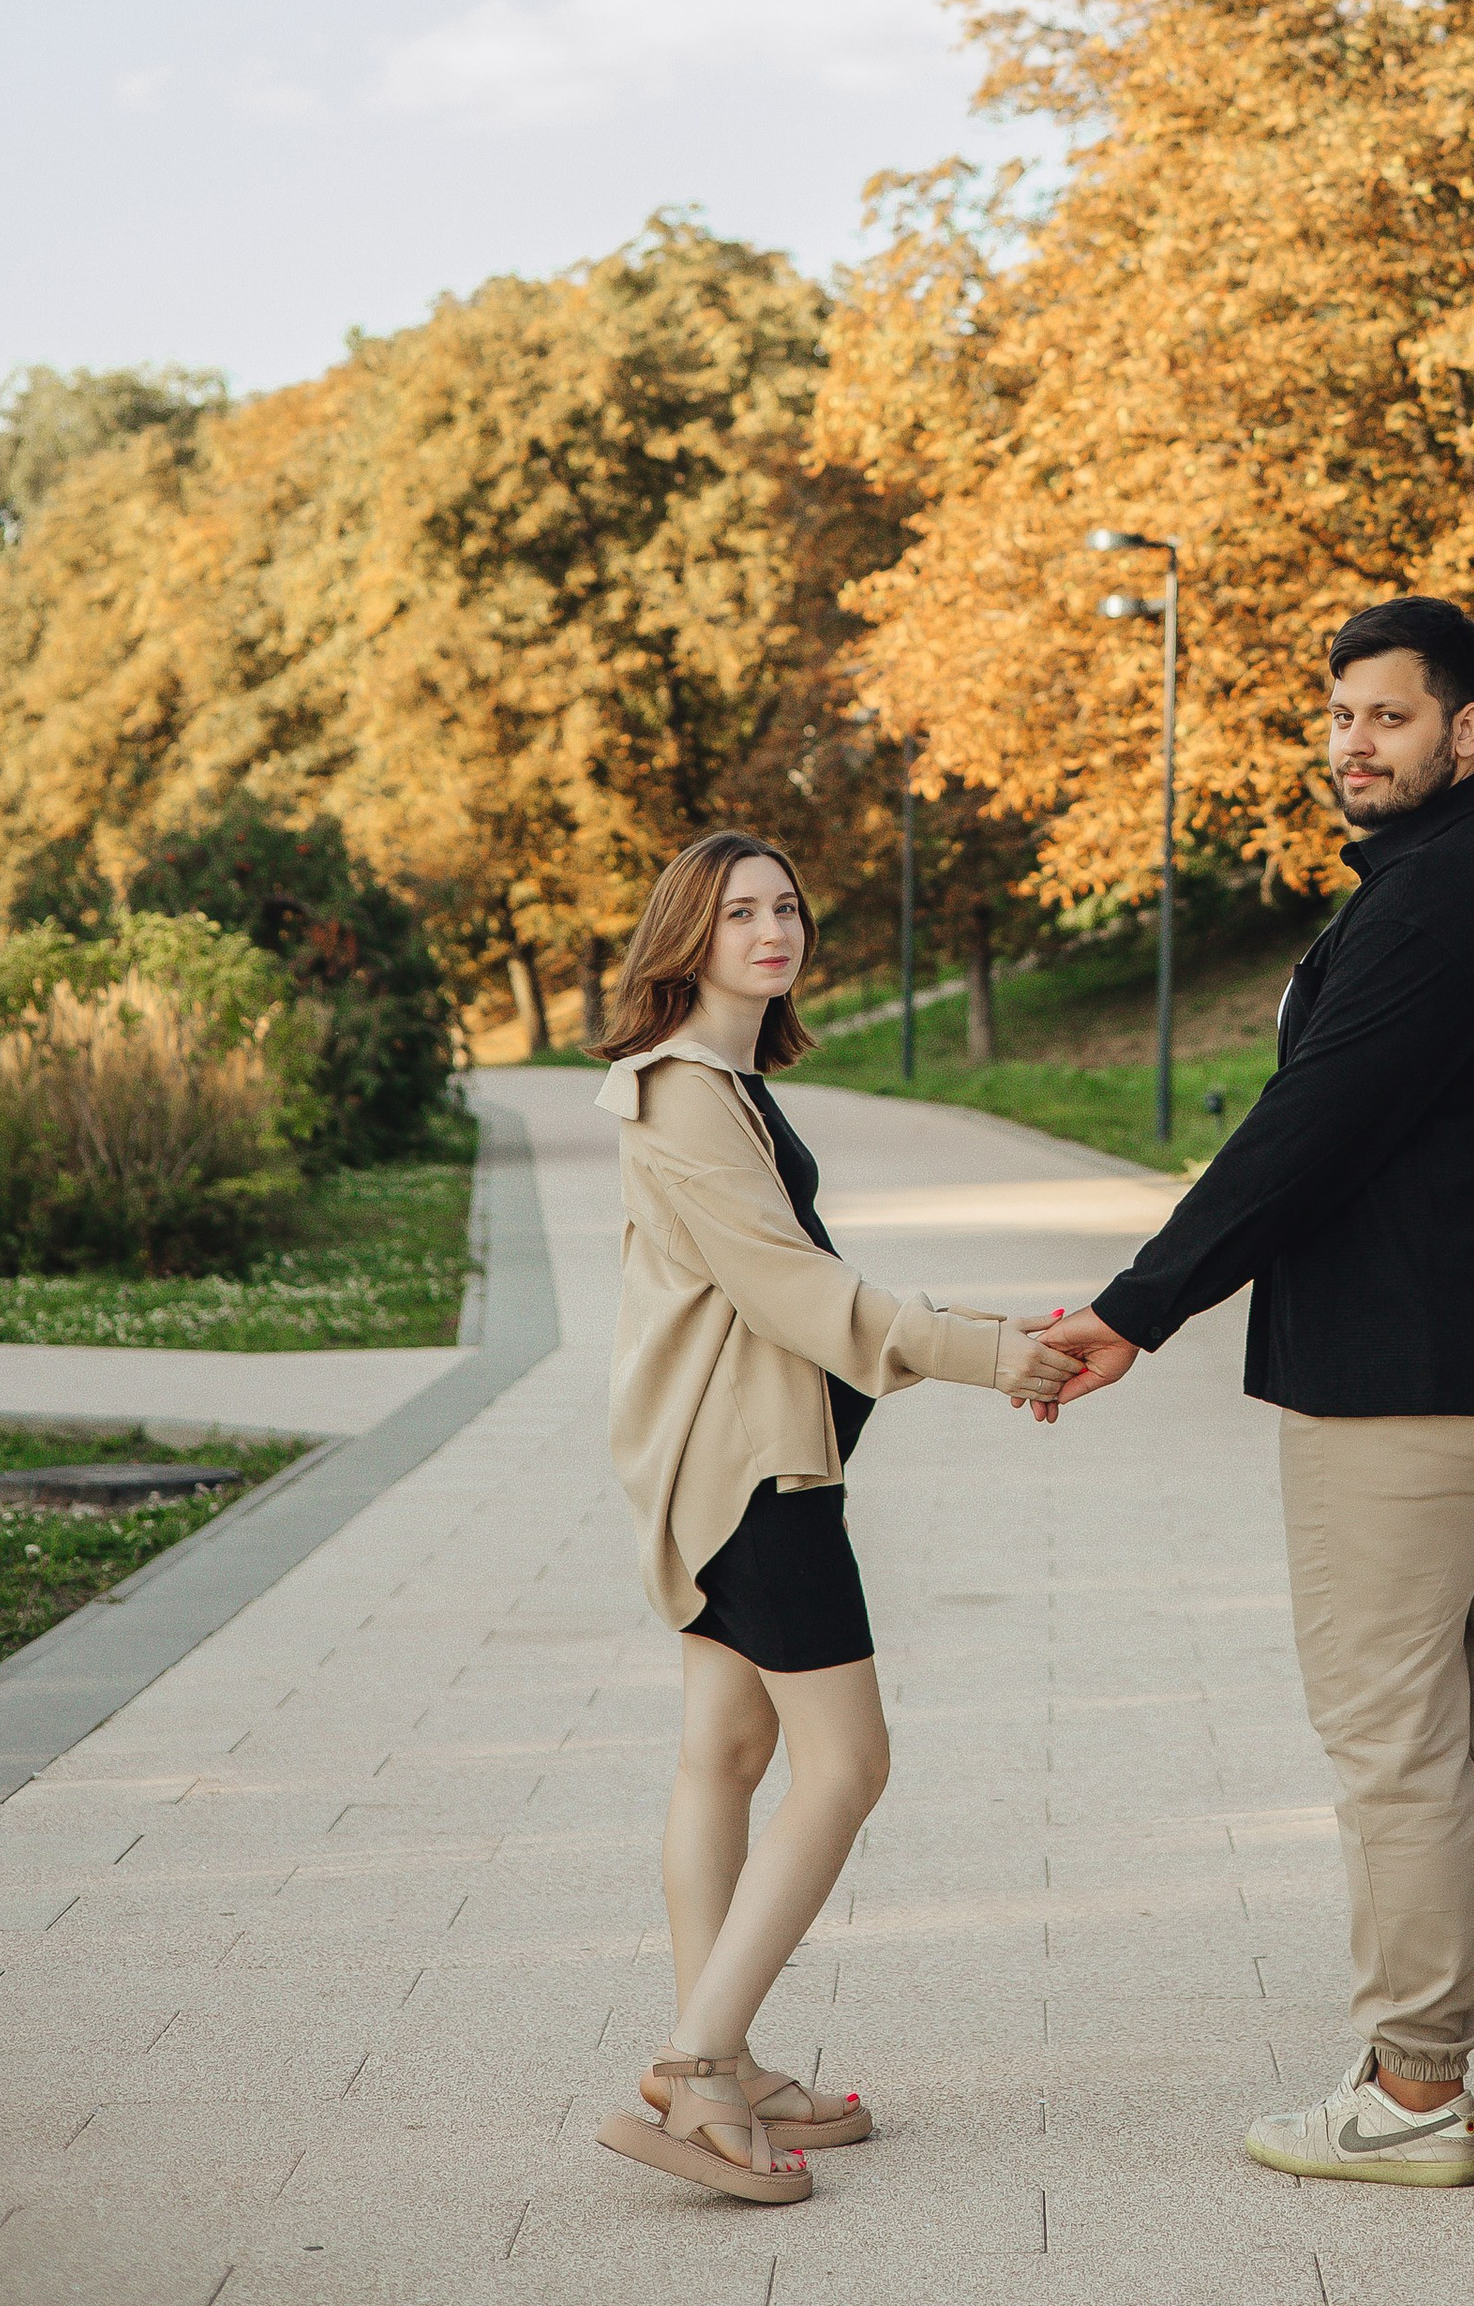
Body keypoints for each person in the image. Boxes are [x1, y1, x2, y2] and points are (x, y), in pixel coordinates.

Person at [1039, 597, 1474, 2203]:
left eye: (1389, 716)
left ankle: (1412, 2091)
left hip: (1405, 1388)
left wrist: (1137, 1308)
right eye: (1339, 719)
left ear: (1471, 727)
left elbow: (1309, 1127)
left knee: (1397, 1740)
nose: (1353, 745)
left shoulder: (1436, 895)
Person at [590, 829, 1078, 2205]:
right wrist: (991, 1353)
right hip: (754, 1477)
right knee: (847, 1765)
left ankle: (726, 2057)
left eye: (787, 907)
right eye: (739, 911)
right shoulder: (687, 1096)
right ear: (686, 935)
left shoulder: (719, 1082)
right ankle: (697, 2068)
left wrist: (980, 1334)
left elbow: (799, 1282)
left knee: (727, 1750)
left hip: (730, 1461)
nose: (773, 930)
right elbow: (800, 1296)